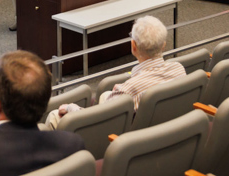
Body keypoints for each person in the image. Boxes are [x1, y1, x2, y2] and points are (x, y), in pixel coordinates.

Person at [45, 15, 186, 128]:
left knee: (54, 116)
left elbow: (95, 121)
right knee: (106, 95)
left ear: (133, 46)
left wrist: (71, 108)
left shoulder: (129, 90)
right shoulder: (179, 69)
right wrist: (120, 92)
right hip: (160, 129)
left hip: (121, 140)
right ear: (163, 45)